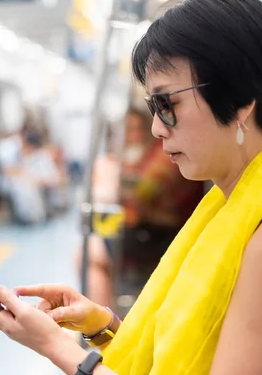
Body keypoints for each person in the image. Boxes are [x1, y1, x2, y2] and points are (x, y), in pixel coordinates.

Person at [0, 0, 262, 375]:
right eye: (152, 107)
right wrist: (102, 326)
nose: (155, 128)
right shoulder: (230, 208)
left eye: (167, 105)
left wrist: (56, 347)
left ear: (239, 102)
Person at [77, 109, 203, 308]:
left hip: (161, 233)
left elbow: (143, 192)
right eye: (128, 130)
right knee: (91, 246)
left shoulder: (165, 153)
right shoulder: (145, 156)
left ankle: (102, 324)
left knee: (89, 255)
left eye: (137, 129)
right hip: (144, 228)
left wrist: (115, 176)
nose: (133, 136)